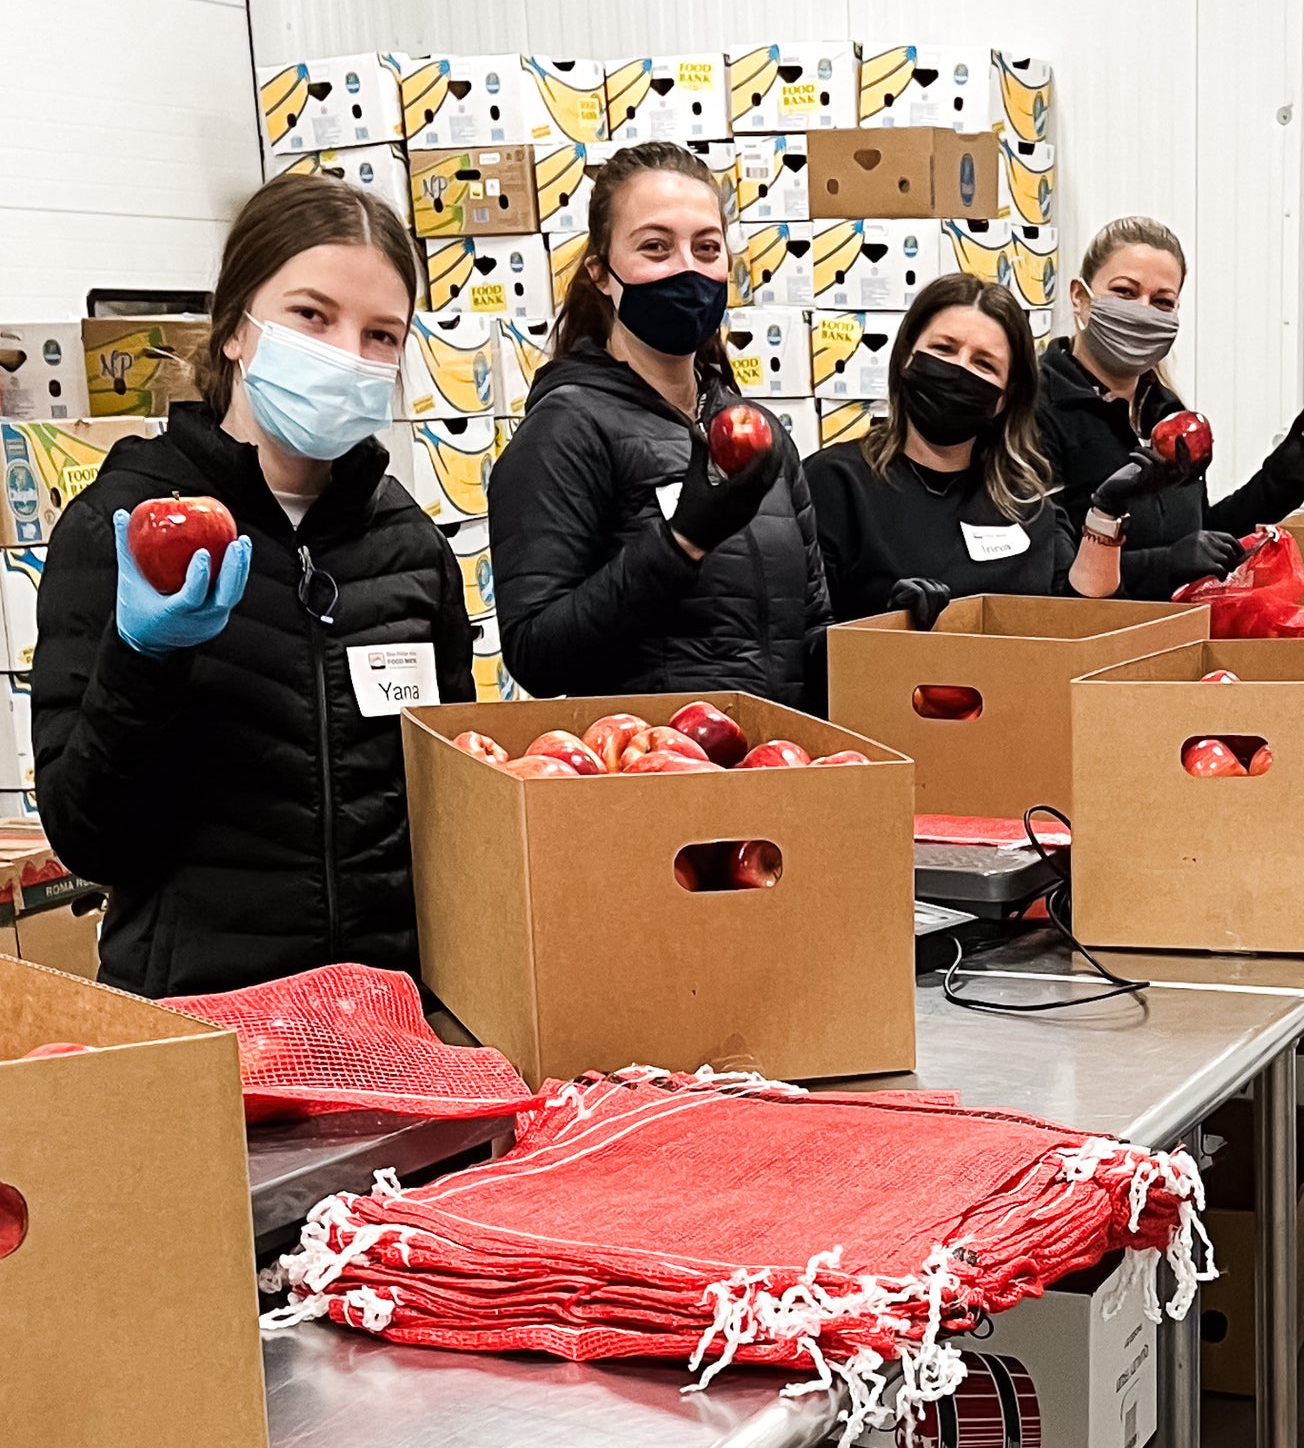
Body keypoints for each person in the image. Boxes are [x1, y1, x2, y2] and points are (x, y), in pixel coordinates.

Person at [33, 172, 475, 998]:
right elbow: (91, 839)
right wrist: (142, 663)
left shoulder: (409, 547)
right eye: (312, 315)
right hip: (208, 1018)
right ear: (236, 326)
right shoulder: (120, 529)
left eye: (381, 334)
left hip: (391, 1019)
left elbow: (454, 813)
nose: (347, 354)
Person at [489, 142, 827, 703]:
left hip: (774, 753)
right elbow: (536, 654)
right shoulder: (566, 429)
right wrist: (680, 543)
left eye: (707, 247)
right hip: (651, 755)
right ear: (601, 273)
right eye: (656, 247)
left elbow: (806, 626)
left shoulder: (761, 432)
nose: (687, 268)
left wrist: (890, 634)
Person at [806, 273, 1173, 624]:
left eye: (984, 364)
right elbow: (803, 635)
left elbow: (1080, 619)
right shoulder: (835, 485)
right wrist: (885, 625)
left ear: (1004, 398)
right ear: (906, 357)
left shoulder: (1028, 508)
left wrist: (1105, 514)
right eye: (943, 348)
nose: (959, 369)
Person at [1038, 216, 1304, 601]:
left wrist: (1286, 474)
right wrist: (1167, 563)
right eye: (1124, 292)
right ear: (1080, 298)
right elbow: (1054, 580)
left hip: (1179, 627)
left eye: (1162, 302)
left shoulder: (1166, 411)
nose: (1143, 312)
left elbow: (1202, 537)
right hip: (1100, 635)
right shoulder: (1038, 409)